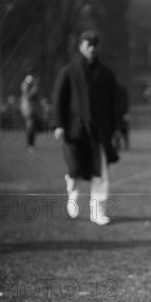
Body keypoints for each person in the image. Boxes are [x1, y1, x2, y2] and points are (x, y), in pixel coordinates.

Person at [52, 30, 122, 226]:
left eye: (94, 45)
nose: (91, 48)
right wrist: (59, 124)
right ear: (80, 46)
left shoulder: (106, 73)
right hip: (75, 130)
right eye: (87, 44)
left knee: (100, 171)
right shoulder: (69, 71)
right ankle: (72, 195)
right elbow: (59, 99)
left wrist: (116, 126)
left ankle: (97, 210)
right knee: (75, 168)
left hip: (99, 131)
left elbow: (114, 101)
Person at [19, 74, 42, 152]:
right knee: (30, 127)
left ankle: (31, 145)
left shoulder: (29, 87)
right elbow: (28, 96)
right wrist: (35, 86)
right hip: (28, 111)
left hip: (32, 111)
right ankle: (29, 145)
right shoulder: (25, 87)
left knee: (34, 128)